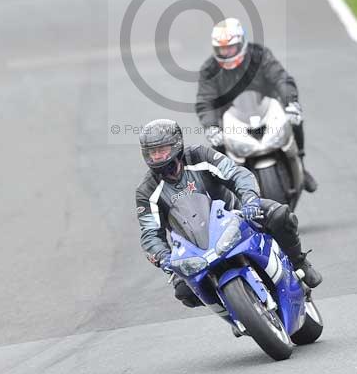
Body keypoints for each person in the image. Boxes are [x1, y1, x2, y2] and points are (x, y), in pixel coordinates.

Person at [136, 118, 322, 310]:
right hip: (194, 246)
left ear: (176, 145)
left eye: (162, 149)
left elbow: (236, 174)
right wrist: (163, 257)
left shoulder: (199, 155)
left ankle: (300, 263)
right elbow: (150, 233)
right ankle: (235, 309)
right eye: (152, 152)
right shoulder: (146, 191)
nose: (157, 156)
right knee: (184, 292)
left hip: (235, 215)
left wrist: (250, 199)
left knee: (280, 215)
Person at [195, 18, 318, 193]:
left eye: (230, 47)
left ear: (241, 43)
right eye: (222, 49)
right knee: (217, 147)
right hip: (231, 118)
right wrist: (211, 126)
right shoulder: (209, 69)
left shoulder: (260, 55)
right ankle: (225, 191)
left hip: (267, 109)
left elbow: (280, 78)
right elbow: (205, 100)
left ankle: (301, 165)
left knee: (295, 120)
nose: (227, 52)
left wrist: (291, 102)